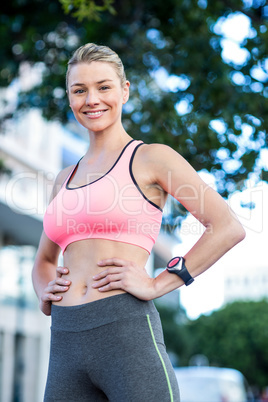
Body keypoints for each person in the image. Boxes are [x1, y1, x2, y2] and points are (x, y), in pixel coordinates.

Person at [32, 43, 245, 402]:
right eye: (79, 90)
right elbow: (44, 261)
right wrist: (43, 291)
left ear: (125, 90)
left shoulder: (152, 158)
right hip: (65, 338)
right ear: (69, 97)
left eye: (104, 86)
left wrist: (159, 283)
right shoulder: (63, 178)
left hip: (126, 331)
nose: (91, 99)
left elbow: (227, 227)